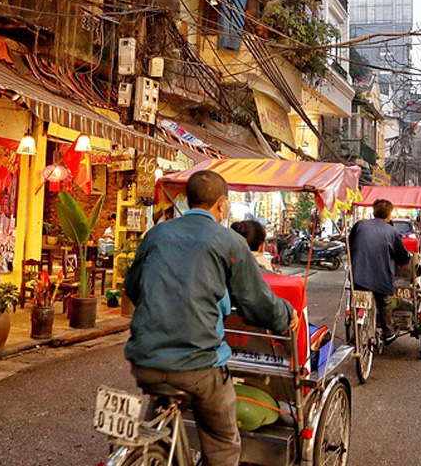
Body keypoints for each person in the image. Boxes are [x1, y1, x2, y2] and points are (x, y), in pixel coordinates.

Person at [124, 170, 297, 466]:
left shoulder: (157, 233)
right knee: (223, 442)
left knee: (162, 415)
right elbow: (256, 303)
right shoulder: (228, 241)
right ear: (222, 204)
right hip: (199, 366)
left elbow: (133, 287)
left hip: (145, 360)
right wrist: (286, 315)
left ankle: (154, 449)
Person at [349, 199, 412, 345]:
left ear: (373, 212)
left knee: (357, 301)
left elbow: (350, 244)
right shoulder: (392, 231)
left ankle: (355, 332)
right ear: (389, 216)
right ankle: (388, 333)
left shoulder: (360, 225)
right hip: (381, 278)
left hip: (358, 274)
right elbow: (402, 258)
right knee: (384, 301)